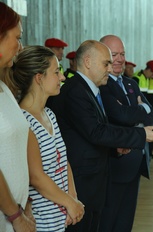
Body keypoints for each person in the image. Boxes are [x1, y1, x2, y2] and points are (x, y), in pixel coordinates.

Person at [47, 40, 153, 231]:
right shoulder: (76, 90)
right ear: (88, 61)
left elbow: (93, 130)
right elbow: (96, 131)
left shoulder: (89, 90)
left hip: (94, 179)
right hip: (81, 180)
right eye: (106, 63)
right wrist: (140, 134)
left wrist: (114, 148)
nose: (111, 68)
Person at [9, 45, 85, 231]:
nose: (62, 77)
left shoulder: (49, 114)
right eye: (56, 71)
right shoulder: (24, 121)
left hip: (60, 219)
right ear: (39, 78)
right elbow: (36, 177)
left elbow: (62, 160)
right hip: (42, 223)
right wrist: (70, 203)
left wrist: (73, 199)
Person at [99, 35, 153, 231]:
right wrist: (141, 110)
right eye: (113, 54)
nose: (119, 59)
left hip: (136, 163)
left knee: (126, 221)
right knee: (109, 220)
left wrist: (138, 112)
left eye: (122, 54)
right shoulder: (102, 85)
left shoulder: (131, 83)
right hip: (116, 164)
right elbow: (119, 116)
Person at [0, 3, 36, 232]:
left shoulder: (4, 87)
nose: (20, 47)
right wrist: (15, 215)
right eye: (17, 38)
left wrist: (27, 202)